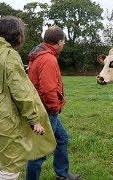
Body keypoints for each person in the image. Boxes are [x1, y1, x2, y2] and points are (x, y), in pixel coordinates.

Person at [0, 16, 56, 179]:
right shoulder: (9, 55)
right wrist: (33, 119)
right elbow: (20, 90)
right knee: (11, 168)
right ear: (17, 35)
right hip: (2, 120)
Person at [26, 25, 80, 180]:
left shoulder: (38, 55)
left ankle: (62, 174)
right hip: (46, 111)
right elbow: (47, 89)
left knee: (62, 138)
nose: (63, 45)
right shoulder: (48, 59)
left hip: (41, 108)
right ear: (59, 42)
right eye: (63, 42)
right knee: (40, 150)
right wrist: (54, 108)